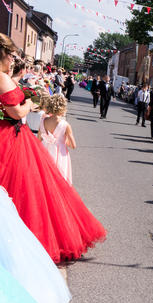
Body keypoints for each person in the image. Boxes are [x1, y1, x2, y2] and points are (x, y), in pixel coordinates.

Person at [0, 33, 106, 263]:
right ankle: (23, 245)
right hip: (10, 135)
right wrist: (29, 102)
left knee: (20, 189)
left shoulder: (4, 76)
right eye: (11, 54)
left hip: (12, 134)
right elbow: (15, 112)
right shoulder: (1, 77)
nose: (13, 58)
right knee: (26, 190)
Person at [37, 94, 76, 184]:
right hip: (59, 152)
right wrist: (63, 141)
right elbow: (73, 145)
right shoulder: (65, 125)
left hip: (44, 150)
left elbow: (38, 139)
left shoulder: (43, 121)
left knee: (44, 177)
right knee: (58, 177)